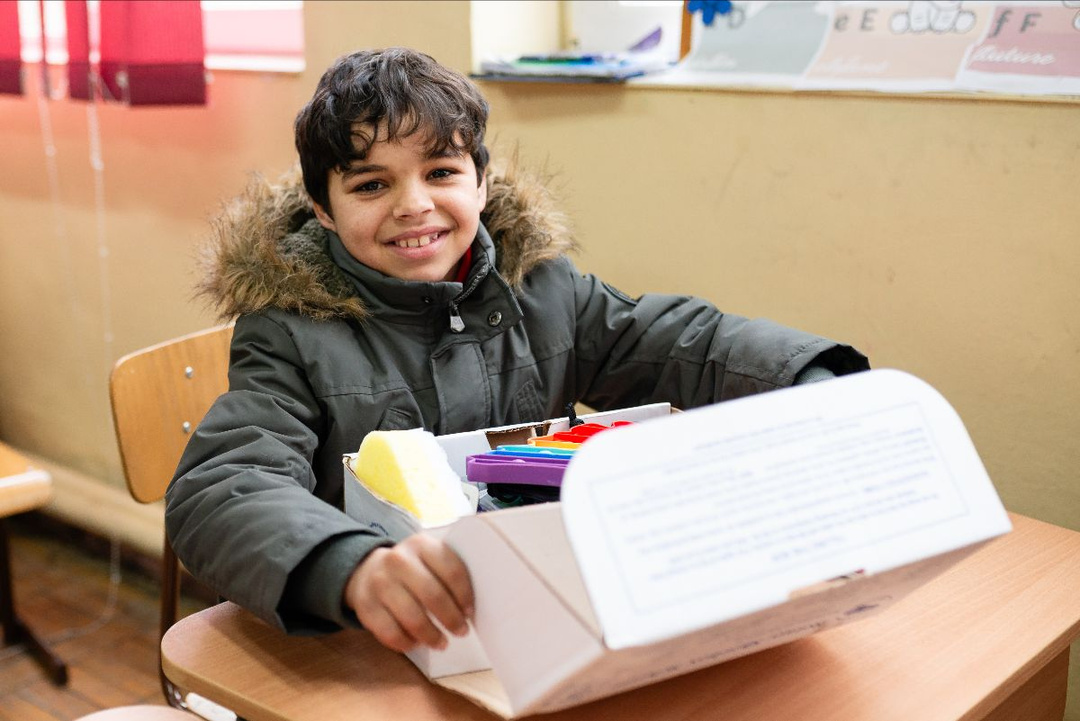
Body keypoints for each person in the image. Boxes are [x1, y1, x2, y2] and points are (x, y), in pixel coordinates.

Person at [165, 47, 869, 656]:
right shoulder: (290, 332)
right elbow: (223, 487)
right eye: (372, 184)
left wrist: (810, 377)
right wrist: (350, 566)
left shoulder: (544, 287)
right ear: (322, 207)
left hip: (547, 618)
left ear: (480, 178)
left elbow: (679, 341)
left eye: (440, 171)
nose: (414, 205)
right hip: (385, 645)